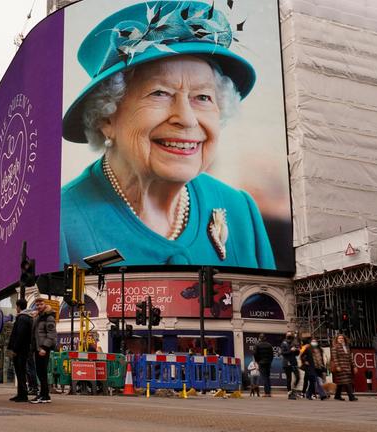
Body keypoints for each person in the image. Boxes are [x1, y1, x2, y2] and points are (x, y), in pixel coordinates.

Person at [60, 0, 275, 269]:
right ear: (106, 116)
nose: (186, 118)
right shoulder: (59, 223)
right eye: (160, 93)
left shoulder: (240, 211)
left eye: (203, 97)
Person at [30, 298, 57, 404]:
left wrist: (45, 348)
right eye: (37, 305)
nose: (39, 306)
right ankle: (44, 395)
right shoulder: (39, 317)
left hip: (42, 349)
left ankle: (44, 395)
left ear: (45, 305)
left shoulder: (49, 317)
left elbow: (52, 335)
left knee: (42, 373)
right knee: (40, 372)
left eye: (41, 304)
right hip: (37, 348)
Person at [7, 299, 33, 402]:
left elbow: (20, 335)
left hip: (21, 350)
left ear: (18, 307)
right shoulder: (25, 317)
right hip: (23, 349)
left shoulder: (22, 318)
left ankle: (23, 395)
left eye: (16, 306)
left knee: (20, 372)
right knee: (20, 372)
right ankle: (20, 393)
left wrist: (15, 349)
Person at [330, 334, 358, 401]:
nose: (341, 339)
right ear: (337, 340)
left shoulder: (346, 347)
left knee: (341, 382)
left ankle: (337, 396)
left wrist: (354, 366)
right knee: (346, 381)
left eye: (342, 338)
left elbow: (350, 358)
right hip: (340, 367)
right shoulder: (335, 347)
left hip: (347, 367)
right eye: (339, 338)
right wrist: (337, 366)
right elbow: (335, 358)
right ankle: (351, 397)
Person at [280, 331, 300, 399]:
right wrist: (291, 350)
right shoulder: (283, 343)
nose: (290, 337)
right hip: (286, 363)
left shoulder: (294, 343)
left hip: (293, 362)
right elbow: (283, 353)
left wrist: (297, 350)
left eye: (291, 336)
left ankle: (293, 390)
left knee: (298, 377)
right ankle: (289, 393)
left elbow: (297, 354)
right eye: (288, 336)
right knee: (289, 379)